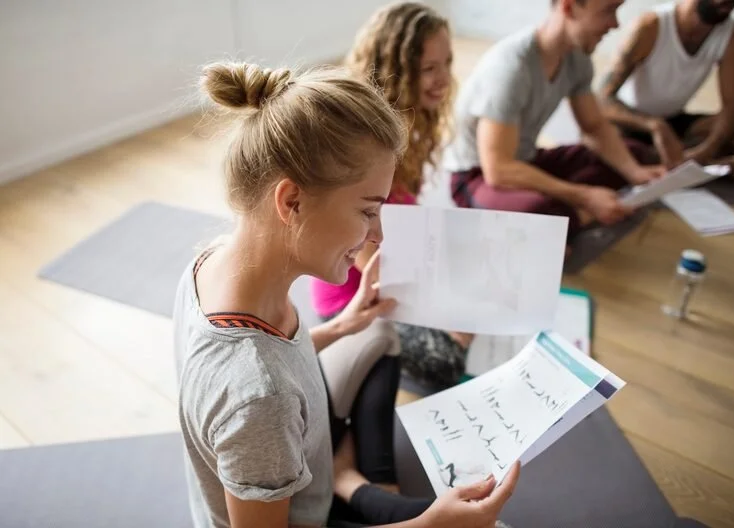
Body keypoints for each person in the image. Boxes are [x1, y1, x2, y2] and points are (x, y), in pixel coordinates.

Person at [173, 61, 519, 528]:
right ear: (291, 201)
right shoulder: (260, 400)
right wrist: (431, 527)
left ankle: (350, 479)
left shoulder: (215, 262)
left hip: (299, 451)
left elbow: (277, 362)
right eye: (367, 211)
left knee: (379, 334)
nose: (377, 233)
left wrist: (343, 325)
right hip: (305, 516)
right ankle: (359, 488)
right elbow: (264, 382)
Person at [311, 2, 475, 391]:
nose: (443, 79)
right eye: (429, 69)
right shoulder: (369, 143)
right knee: (450, 358)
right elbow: (373, 263)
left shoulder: (413, 124)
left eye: (447, 63)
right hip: (357, 296)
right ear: (397, 72)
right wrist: (448, 313)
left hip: (395, 266)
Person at [443, 0, 665, 242]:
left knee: (637, 153)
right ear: (568, 8)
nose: (615, 24)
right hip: (478, 176)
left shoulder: (576, 58)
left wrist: (634, 172)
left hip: (525, 160)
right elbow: (498, 170)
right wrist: (584, 197)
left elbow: (594, 127)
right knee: (541, 216)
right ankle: (571, 216)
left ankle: (571, 216)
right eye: (608, 11)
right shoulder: (511, 69)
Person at [598, 0, 734, 169]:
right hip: (631, 121)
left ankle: (685, 162)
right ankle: (673, 163)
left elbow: (732, 105)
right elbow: (601, 100)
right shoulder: (651, 26)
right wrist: (653, 125)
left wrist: (707, 150)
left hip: (674, 122)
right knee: (608, 145)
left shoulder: (732, 35)